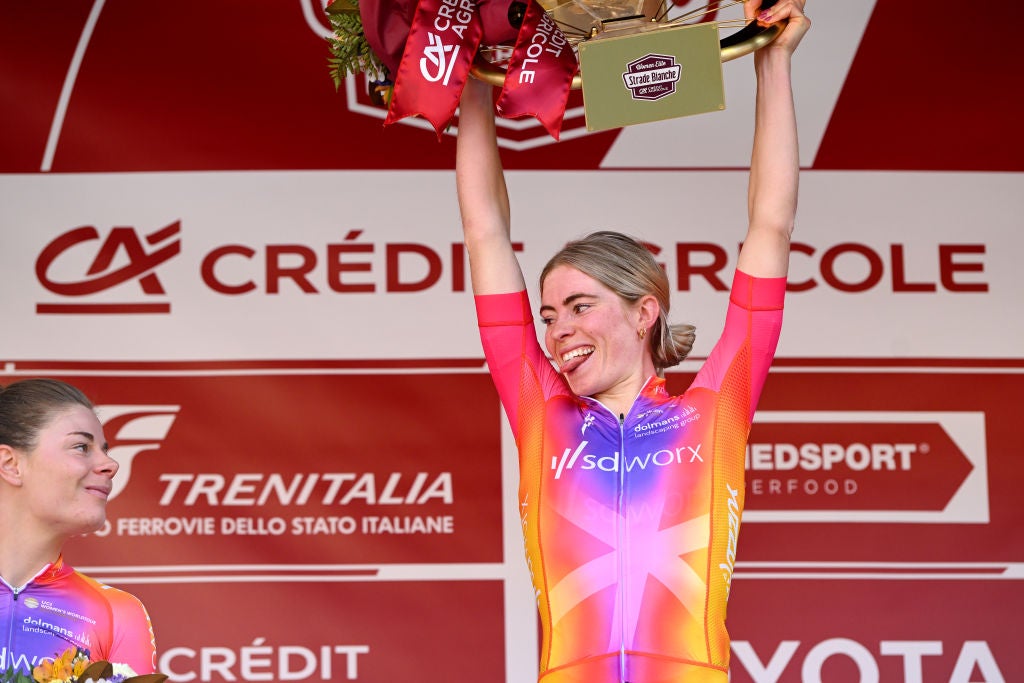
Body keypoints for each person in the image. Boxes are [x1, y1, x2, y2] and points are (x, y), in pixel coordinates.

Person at [455, 0, 810, 680]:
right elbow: (484, 232)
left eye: (580, 305)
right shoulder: (541, 412)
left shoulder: (715, 406)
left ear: (644, 311)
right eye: (549, 314)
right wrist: (472, 80)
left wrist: (774, 63)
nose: (558, 330)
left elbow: (771, 226)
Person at [0, 379, 157, 679]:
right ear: (11, 464)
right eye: (82, 447)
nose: (110, 464)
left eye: (104, 450)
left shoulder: (117, 613)